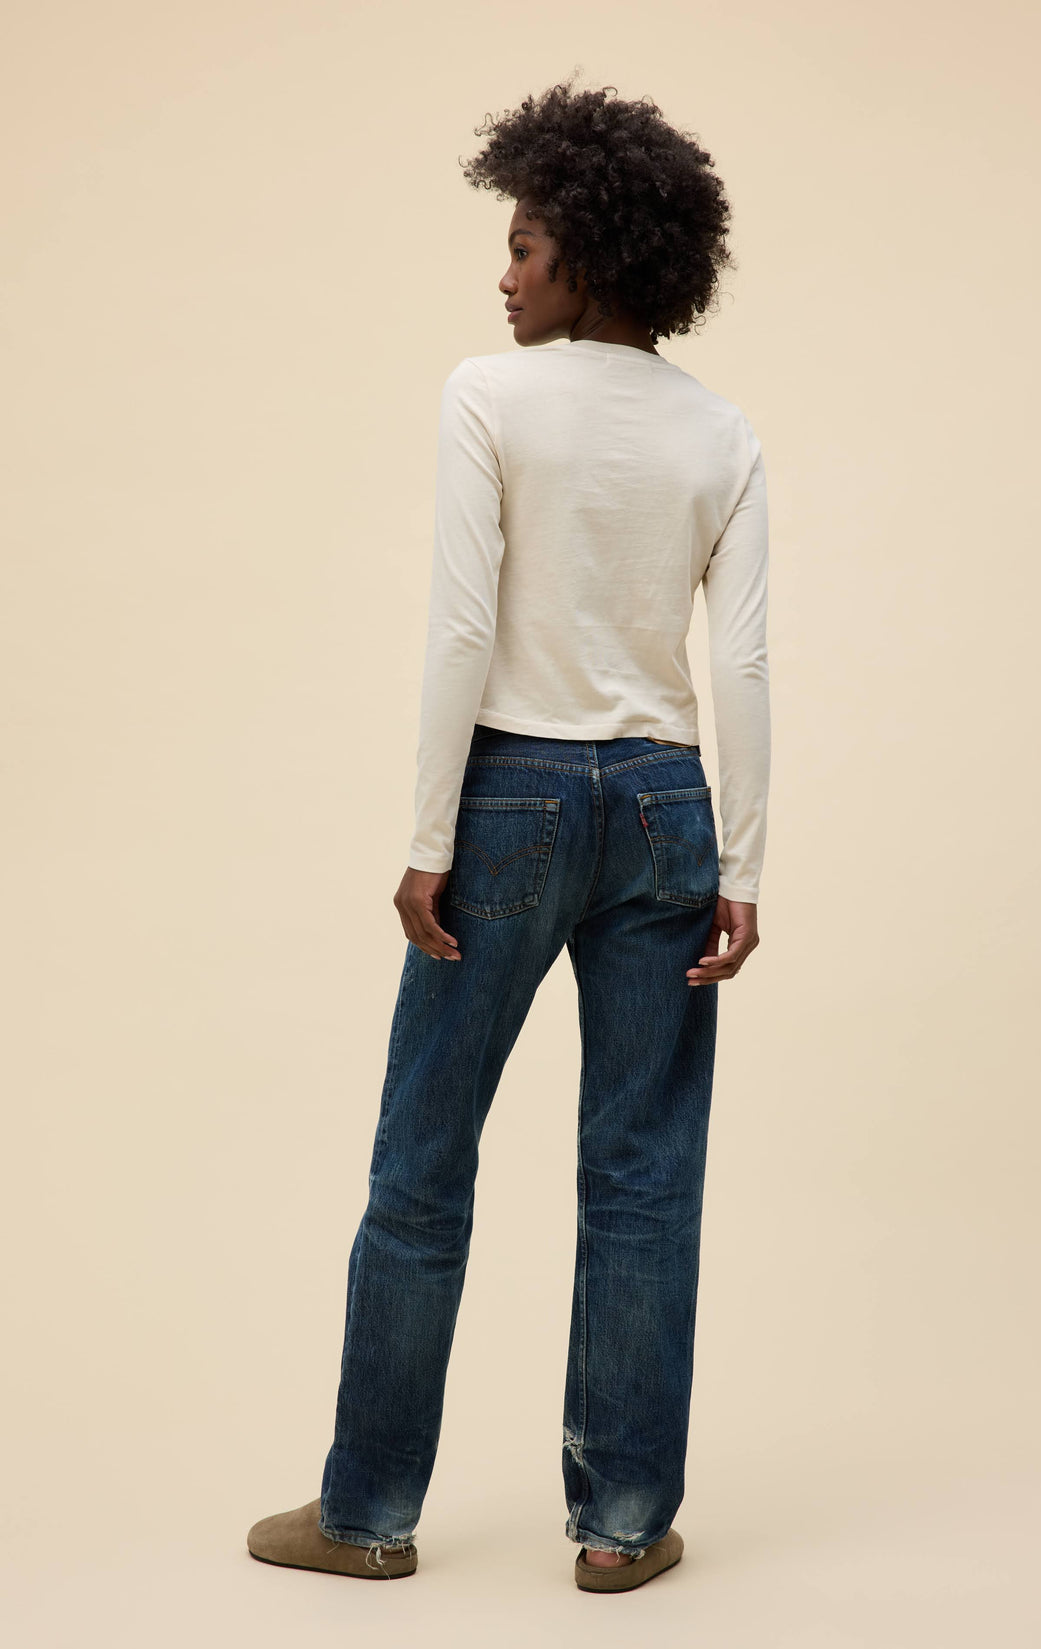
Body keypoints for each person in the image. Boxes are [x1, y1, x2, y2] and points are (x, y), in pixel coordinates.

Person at [247, 74, 770, 1594]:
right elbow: (741, 665)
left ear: (590, 256)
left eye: (527, 246)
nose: (506, 274)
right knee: (645, 1176)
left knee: (423, 1159)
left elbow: (461, 629)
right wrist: (743, 866)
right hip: (667, 806)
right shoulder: (723, 433)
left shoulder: (488, 395)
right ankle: (622, 1527)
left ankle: (366, 1516)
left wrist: (431, 836)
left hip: (513, 800)